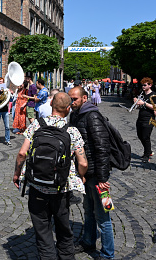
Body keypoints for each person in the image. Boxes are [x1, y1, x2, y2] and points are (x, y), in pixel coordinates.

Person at [13, 92, 88, 260]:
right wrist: (81, 177)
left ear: (52, 104)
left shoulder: (36, 125)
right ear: (68, 109)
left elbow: (22, 153)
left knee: (43, 232)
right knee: (64, 231)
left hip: (37, 186)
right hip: (61, 189)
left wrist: (17, 174)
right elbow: (82, 163)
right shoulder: (72, 131)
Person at [68, 86, 115, 259]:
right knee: (88, 210)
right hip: (85, 174)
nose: (72, 102)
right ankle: (88, 241)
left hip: (98, 176)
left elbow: (103, 149)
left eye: (75, 99)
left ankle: (108, 254)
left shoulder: (93, 116)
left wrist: (103, 179)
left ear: (84, 98)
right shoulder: (74, 115)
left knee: (104, 215)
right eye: (70, 99)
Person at [133, 78, 156, 163]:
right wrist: (136, 103)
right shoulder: (142, 95)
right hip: (140, 118)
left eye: (145, 85)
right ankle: (149, 151)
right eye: (142, 85)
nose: (143, 87)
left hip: (149, 119)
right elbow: (139, 107)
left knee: (145, 137)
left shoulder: (154, 96)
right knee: (140, 136)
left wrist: (144, 103)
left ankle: (147, 154)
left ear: (150, 85)